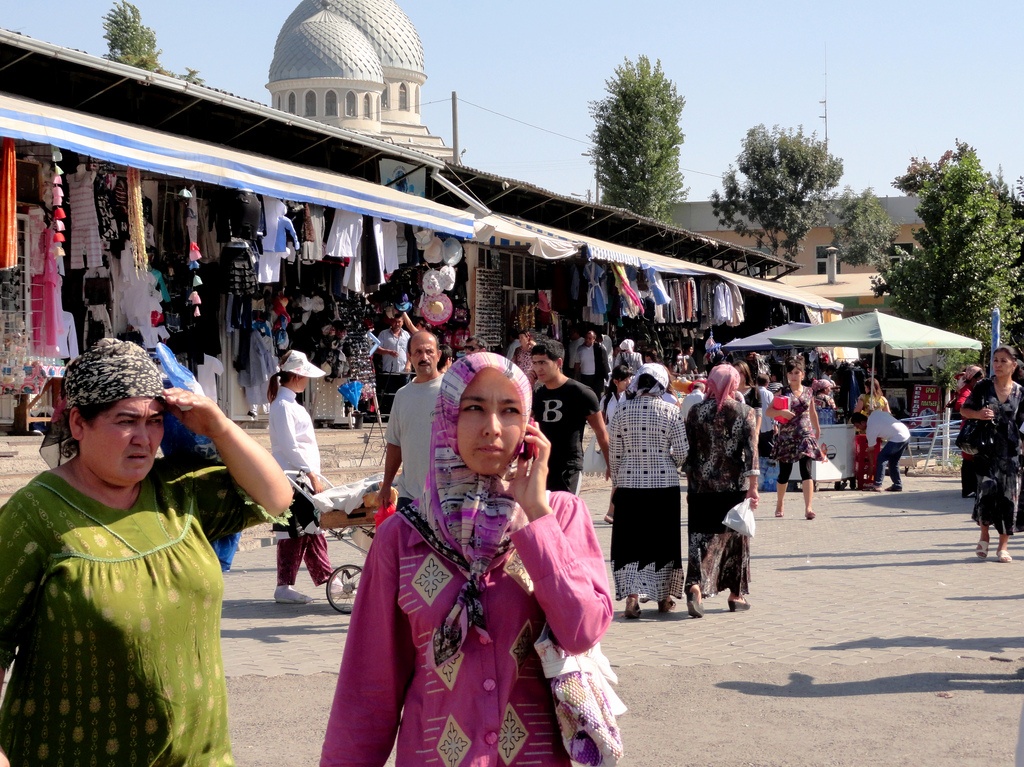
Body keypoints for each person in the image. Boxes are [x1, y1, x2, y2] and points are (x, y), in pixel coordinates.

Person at [0, 339, 292, 766]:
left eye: (155, 421)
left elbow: (276, 497)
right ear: (79, 423)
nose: (143, 439)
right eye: (126, 421)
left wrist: (219, 426)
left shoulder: (178, 490)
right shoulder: (34, 515)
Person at [320, 353, 613, 766]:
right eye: (474, 407)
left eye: (509, 411)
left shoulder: (560, 517)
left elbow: (583, 630)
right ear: (447, 420)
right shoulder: (400, 539)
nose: (493, 427)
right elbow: (367, 690)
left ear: (528, 428)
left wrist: (536, 517)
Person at [608, 364, 688, 618]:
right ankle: (663, 598)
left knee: (631, 541)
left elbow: (615, 453)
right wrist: (668, 462)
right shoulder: (670, 411)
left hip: (630, 485)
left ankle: (632, 597)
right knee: (662, 540)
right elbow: (683, 452)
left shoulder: (621, 410)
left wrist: (618, 477)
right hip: (664, 486)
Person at [684, 364, 759, 617]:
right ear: (735, 383)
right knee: (736, 541)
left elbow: (689, 453)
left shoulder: (695, 412)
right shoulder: (744, 412)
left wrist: (689, 485)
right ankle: (736, 595)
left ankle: (695, 585)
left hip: (700, 488)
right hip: (733, 488)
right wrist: (753, 489)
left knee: (698, 540)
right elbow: (751, 454)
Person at [268, 350, 338, 604]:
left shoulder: (289, 404)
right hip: (294, 478)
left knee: (306, 531)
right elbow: (290, 446)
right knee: (305, 529)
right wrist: (310, 473)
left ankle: (327, 579)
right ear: (297, 376)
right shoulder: (283, 406)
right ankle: (326, 580)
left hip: (300, 477)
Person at [960, 345, 1024, 563]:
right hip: (986, 452)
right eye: (995, 360)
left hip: (1011, 455)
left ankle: (1003, 547)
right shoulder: (983, 387)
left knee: (1009, 499)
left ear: (1014, 365)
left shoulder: (1020, 392)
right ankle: (984, 535)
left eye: (1003, 361)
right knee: (985, 496)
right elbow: (964, 410)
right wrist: (978, 414)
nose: (997, 364)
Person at [532, 339, 611, 493]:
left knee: (565, 513)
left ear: (558, 362)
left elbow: (601, 432)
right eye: (534, 363)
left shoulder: (581, 392)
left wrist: (610, 465)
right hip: (541, 465)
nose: (538, 368)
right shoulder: (537, 394)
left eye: (543, 362)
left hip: (568, 467)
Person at [379, 330, 443, 509]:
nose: (424, 357)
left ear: (438, 355)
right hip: (409, 497)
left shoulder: (452, 392)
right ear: (409, 357)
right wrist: (386, 485)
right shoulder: (402, 395)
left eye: (429, 351)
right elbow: (395, 444)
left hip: (445, 496)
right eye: (418, 352)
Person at [767, 357, 822, 520]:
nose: (793, 376)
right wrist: (780, 413)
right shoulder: (782, 392)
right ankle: (780, 503)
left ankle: (808, 507)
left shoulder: (809, 391)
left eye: (796, 373)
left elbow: (812, 412)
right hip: (787, 436)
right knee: (785, 473)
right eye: (790, 373)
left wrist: (817, 429)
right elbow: (768, 411)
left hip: (805, 434)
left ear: (802, 375)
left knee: (806, 470)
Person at [600, 365, 633, 525]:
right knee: (617, 478)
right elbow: (602, 423)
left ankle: (612, 511)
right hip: (613, 442)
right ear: (615, 381)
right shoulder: (606, 400)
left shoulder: (633, 397)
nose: (629, 381)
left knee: (625, 477)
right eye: (625, 379)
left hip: (630, 441)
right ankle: (611, 511)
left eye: (629, 378)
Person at [951, 365, 984, 498]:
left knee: (973, 458)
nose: (981, 380)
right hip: (970, 429)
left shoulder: (973, 389)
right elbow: (960, 405)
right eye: (979, 378)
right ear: (972, 379)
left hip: (974, 427)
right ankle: (969, 489)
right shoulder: (967, 390)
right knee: (969, 458)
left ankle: (973, 488)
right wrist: (975, 411)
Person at [864, 409, 911, 492]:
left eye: (857, 426)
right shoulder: (876, 413)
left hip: (898, 437)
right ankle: (897, 485)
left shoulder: (870, 429)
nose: (858, 428)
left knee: (882, 457)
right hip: (906, 434)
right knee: (894, 461)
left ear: (861, 423)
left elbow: (871, 449)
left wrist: (871, 465)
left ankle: (877, 484)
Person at [573, 328, 610, 398]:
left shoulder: (599, 349)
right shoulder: (580, 349)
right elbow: (577, 363)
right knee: (586, 395)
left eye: (590, 338)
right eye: (586, 338)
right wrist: (576, 375)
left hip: (596, 376)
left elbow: (604, 363)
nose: (587, 340)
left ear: (594, 339)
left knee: (597, 395)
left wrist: (607, 376)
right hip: (584, 376)